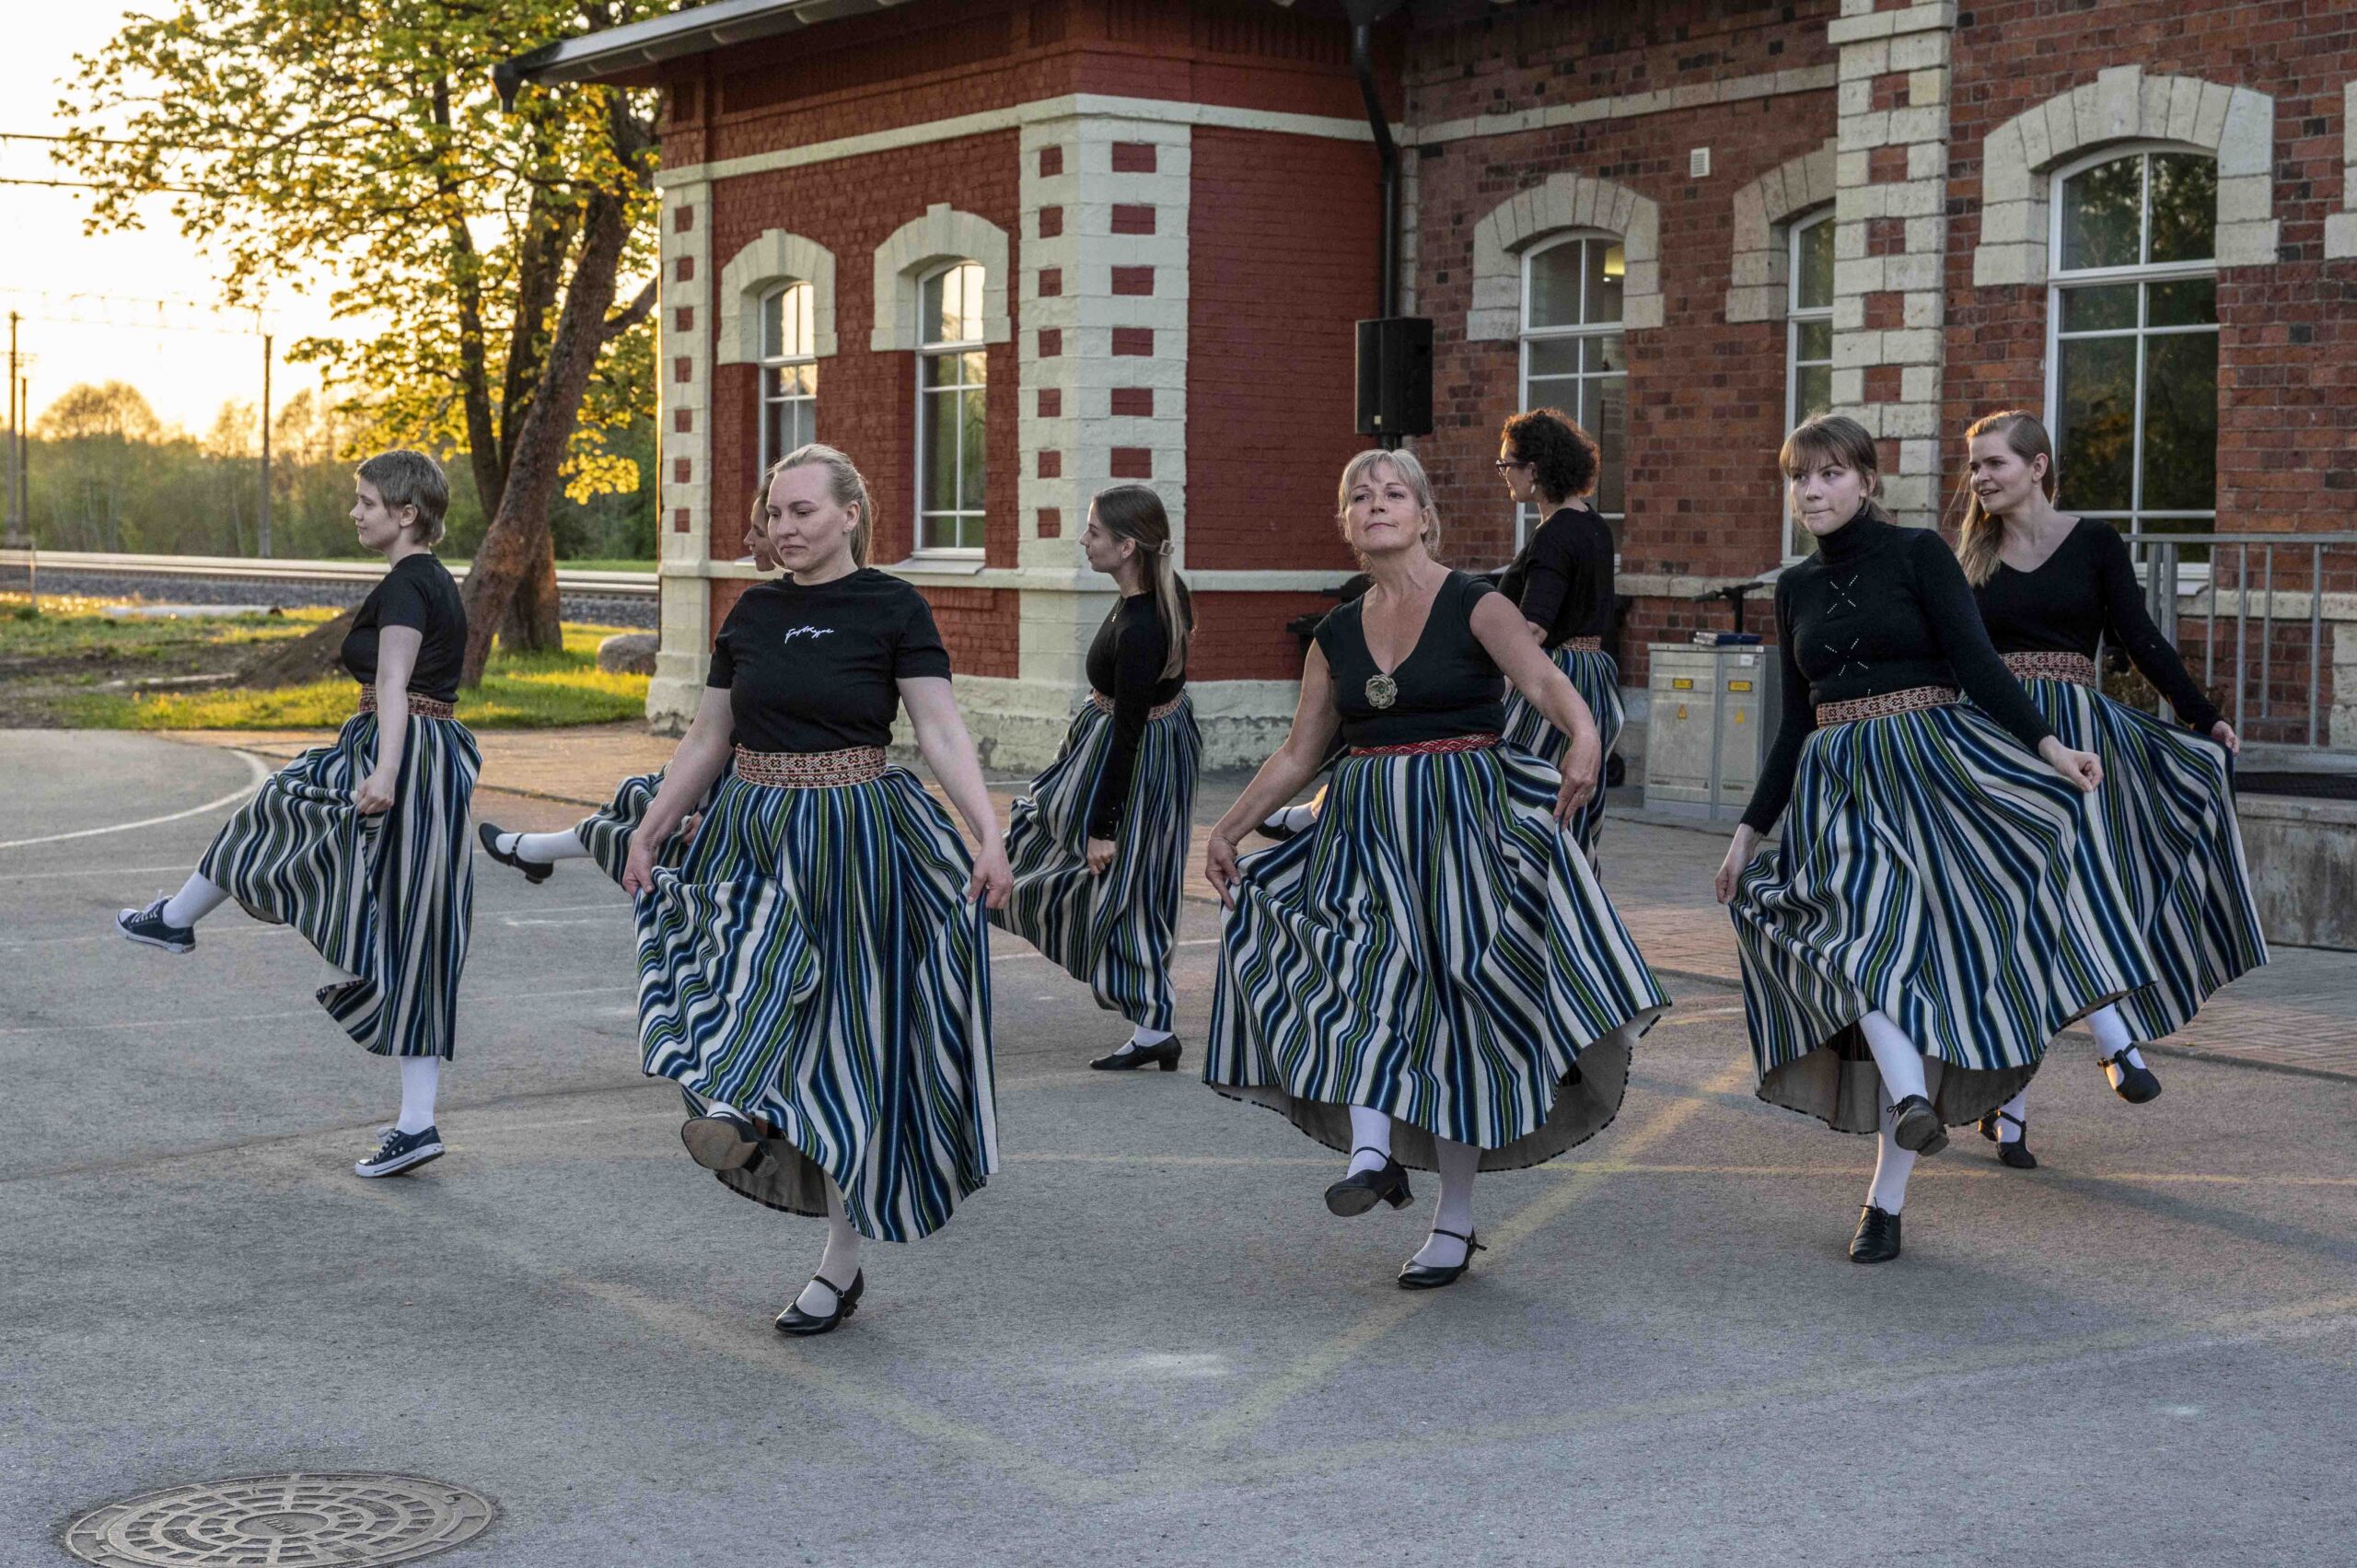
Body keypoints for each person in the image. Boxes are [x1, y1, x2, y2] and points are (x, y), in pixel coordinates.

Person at [1202, 447, 1668, 1290]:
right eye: (1360, 496)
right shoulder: (1335, 633)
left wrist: (1586, 737)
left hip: (1465, 834)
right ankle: (1372, 1152)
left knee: (1459, 1023)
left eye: (1393, 493)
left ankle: (1452, 1222)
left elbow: (1544, 682)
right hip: (1364, 836)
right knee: (1358, 980)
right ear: (1346, 522)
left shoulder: (1474, 602)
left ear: (1424, 515)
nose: (1376, 504)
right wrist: (1227, 827)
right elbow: (1300, 752)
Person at [1716, 415, 2153, 1264]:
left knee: (1941, 937)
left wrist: (2050, 748)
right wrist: (1746, 834)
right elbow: (1795, 722)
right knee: (1854, 949)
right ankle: (1913, 1099)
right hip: (1840, 793)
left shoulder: (1918, 554)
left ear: (1867, 481)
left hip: (1931, 774)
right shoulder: (1795, 587)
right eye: (1800, 476)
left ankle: (1888, 1199)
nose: (1812, 490)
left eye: (1831, 474)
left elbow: (1979, 664)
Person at [621, 443, 1012, 1336]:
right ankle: (735, 1103)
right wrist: (650, 825)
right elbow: (708, 738)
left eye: (802, 510)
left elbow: (941, 729)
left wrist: (988, 834)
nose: (784, 527)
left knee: (844, 1051)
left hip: (855, 842)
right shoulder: (751, 611)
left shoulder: (892, 605)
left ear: (848, 514)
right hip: (750, 833)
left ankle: (839, 1261)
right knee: (734, 979)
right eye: (775, 512)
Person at [115, 450, 479, 1179]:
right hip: (432, 755)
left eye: (366, 502)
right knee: (416, 927)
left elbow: (395, 680)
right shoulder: (433, 579)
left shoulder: (409, 582)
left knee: (280, 811)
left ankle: (177, 919)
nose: (355, 512)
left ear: (407, 513)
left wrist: (385, 769)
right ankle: (417, 1122)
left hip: (400, 750)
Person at [1953, 411, 2267, 1167]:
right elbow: (1949, 654)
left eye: (1994, 463)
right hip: (1996, 737)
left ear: (2037, 465)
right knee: (2030, 911)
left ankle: (2014, 1105)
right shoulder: (1968, 555)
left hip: (2079, 741)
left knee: (2061, 898)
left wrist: (2202, 714)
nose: (1980, 477)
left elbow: (2139, 636)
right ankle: (2109, 1043)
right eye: (1975, 466)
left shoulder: (2094, 543)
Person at [477, 487, 782, 885]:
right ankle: (537, 849)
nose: (747, 539)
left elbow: (780, 727)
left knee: (648, 809)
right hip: (734, 769)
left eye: (758, 529)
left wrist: (722, 809)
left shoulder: (792, 617)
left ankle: (536, 850)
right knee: (642, 799)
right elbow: (723, 728)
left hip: (764, 791)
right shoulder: (758, 609)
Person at [994, 484, 1201, 1070]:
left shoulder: (1142, 626)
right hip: (1136, 747)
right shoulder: (1157, 595)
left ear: (1127, 546)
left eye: (1094, 532)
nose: (1083, 540)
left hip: (1131, 760)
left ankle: (1153, 1022)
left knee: (1117, 881)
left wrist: (1103, 827)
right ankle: (1153, 1024)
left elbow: (1130, 732)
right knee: (1118, 879)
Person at [1494, 408, 1620, 862]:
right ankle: (1573, 885)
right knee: (1571, 807)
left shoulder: (1553, 536)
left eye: (1507, 464)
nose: (1504, 473)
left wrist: (1490, 690)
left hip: (1554, 679)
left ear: (1534, 469)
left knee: (1522, 799)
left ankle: (1539, 891)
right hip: (1595, 679)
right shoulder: (1594, 525)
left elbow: (1531, 628)